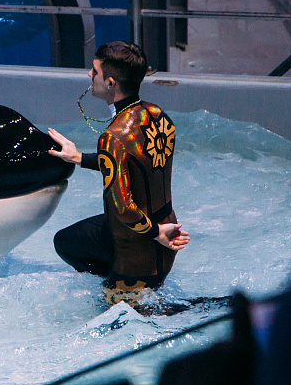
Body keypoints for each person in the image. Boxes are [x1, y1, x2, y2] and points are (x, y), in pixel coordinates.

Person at [47, 41, 189, 304]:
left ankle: (119, 286)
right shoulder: (157, 115)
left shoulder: (113, 137)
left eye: (95, 71)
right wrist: (77, 157)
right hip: (165, 231)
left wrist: (156, 232)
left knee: (122, 323)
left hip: (139, 249)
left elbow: (124, 208)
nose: (90, 76)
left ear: (111, 83)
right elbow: (130, 165)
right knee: (67, 241)